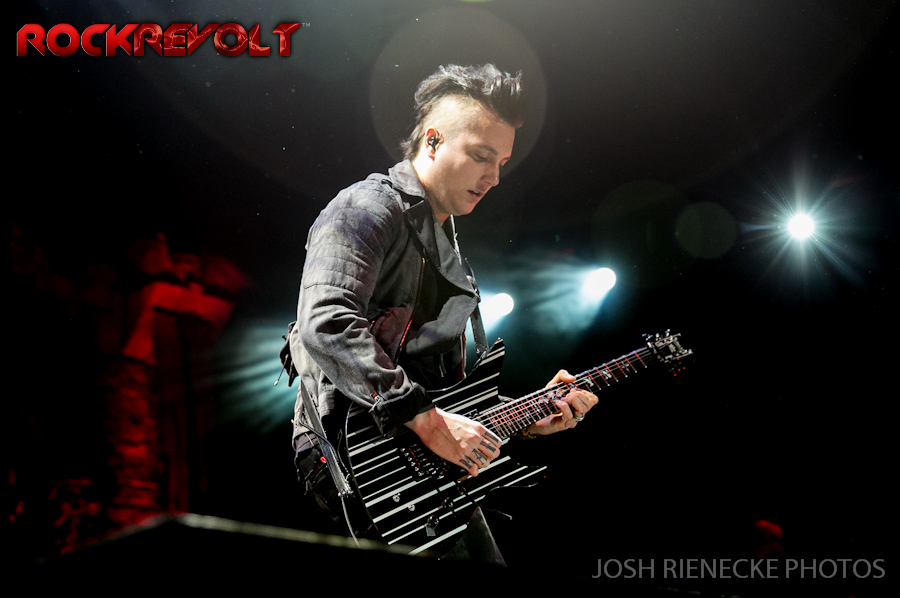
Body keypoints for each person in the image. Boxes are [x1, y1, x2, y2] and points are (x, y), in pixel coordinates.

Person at [288, 64, 598, 554]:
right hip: (361, 454)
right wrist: (427, 420)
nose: (494, 177)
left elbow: (442, 394)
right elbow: (326, 321)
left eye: (502, 162)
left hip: (416, 453)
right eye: (481, 156)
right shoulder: (366, 207)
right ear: (432, 141)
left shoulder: (447, 245)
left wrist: (525, 418)